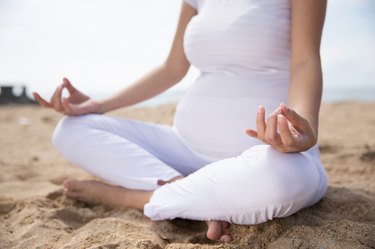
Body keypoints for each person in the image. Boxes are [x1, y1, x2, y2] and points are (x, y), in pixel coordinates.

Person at [33, 0, 328, 243]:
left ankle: (134, 197)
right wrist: (99, 105)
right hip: (183, 149)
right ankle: (186, 190)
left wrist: (305, 129)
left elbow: (305, 61)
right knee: (72, 130)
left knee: (282, 181)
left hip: (265, 155)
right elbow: (172, 67)